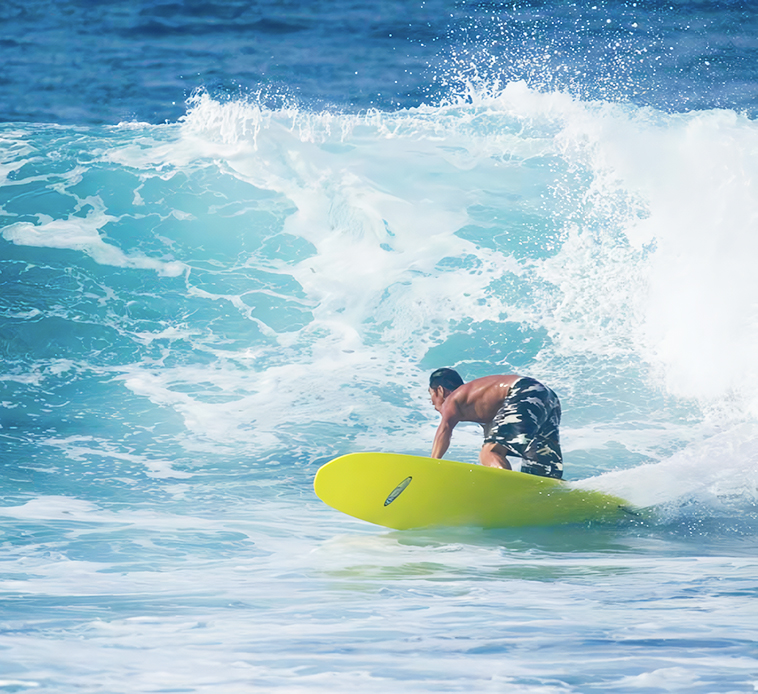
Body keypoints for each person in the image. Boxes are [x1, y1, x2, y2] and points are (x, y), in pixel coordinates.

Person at [428, 367, 563, 479]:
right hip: (548, 397)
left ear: (440, 390)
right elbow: (498, 434)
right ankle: (547, 490)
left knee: (489, 452)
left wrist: (432, 464)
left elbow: (445, 429)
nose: (432, 402)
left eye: (431, 395)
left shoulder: (452, 398)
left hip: (522, 391)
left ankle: (505, 487)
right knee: (540, 467)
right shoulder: (479, 400)